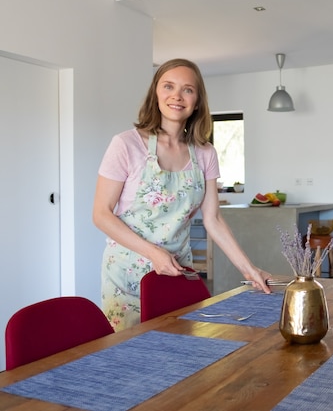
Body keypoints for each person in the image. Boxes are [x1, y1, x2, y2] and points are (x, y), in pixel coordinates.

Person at [93, 58, 271, 331]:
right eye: (168, 86)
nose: (177, 96)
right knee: (129, 360)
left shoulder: (205, 152)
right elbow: (101, 215)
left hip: (178, 272)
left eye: (187, 89)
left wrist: (249, 269)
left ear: (197, 100)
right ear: (156, 93)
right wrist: (154, 253)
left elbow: (213, 219)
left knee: (181, 351)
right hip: (127, 276)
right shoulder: (126, 145)